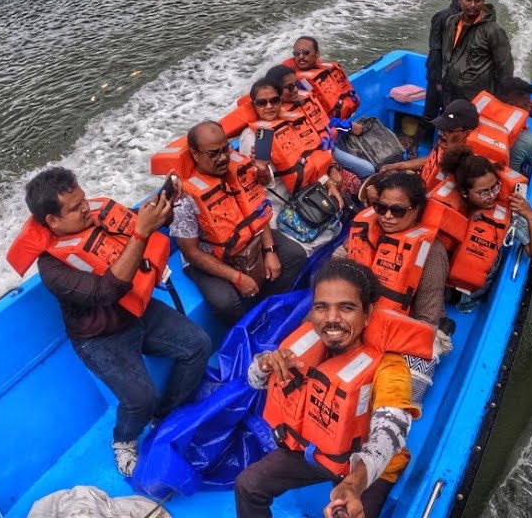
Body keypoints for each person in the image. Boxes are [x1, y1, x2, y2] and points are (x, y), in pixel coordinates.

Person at [7, 167, 211, 478]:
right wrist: (142, 234)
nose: (86, 208)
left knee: (199, 345)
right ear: (53, 221)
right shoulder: (52, 268)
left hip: (140, 311)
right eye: (76, 208)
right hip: (100, 337)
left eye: (83, 200)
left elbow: (148, 223)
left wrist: (166, 204)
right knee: (140, 399)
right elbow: (106, 291)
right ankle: (124, 439)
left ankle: (166, 415)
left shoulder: (99, 216)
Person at [235, 260, 425, 518]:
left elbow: (392, 429)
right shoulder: (304, 343)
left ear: (367, 314)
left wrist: (353, 483)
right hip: (314, 449)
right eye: (321, 308)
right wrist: (265, 363)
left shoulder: (389, 367)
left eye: (346, 308)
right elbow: (253, 380)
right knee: (248, 485)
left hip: (364, 468)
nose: (332, 319)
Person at [173, 120, 308, 325]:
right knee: (226, 302)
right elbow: (192, 253)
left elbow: (256, 210)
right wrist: (237, 278)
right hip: (210, 254)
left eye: (225, 149)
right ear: (195, 154)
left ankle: (266, 308)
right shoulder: (183, 197)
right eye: (213, 154)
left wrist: (270, 251)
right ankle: (246, 326)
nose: (223, 158)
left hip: (248, 238)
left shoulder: (240, 168)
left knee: (295, 255)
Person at [342, 171, 452, 405]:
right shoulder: (365, 231)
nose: (388, 217)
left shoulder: (431, 253)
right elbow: (338, 266)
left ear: (416, 210)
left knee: (401, 389)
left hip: (402, 328)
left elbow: (426, 320)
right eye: (382, 208)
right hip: (360, 316)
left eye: (398, 211)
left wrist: (380, 342)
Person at [441, 154, 532, 306]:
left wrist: (530, 214)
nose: (492, 196)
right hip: (439, 278)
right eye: (483, 193)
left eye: (495, 187)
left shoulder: (506, 215)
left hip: (464, 295)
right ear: (465, 192)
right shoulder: (446, 205)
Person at [238, 79, 345, 209]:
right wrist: (263, 171)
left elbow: (309, 158)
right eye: (262, 103)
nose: (269, 106)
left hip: (309, 189)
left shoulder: (289, 122)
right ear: (254, 106)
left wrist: (328, 183)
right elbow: (261, 184)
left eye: (274, 100)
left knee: (341, 204)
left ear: (280, 101)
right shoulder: (251, 136)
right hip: (280, 203)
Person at [266, 64, 376, 179]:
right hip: (320, 157)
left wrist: (347, 126)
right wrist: (332, 167)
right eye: (289, 87)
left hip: (329, 144)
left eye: (295, 85)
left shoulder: (302, 99)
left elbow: (322, 122)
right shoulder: (281, 119)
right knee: (368, 170)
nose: (295, 90)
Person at [438, 0, 514, 103]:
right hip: (450, 95)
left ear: (483, 1)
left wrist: (500, 100)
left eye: (478, 0)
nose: (473, 5)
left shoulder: (492, 31)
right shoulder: (451, 23)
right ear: (459, 0)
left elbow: (505, 69)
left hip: (477, 101)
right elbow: (446, 57)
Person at [378, 98, 479, 191]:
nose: (440, 133)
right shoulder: (451, 146)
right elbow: (431, 161)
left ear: (467, 134)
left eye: (448, 130)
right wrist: (398, 166)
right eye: (442, 127)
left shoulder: (466, 167)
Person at [285, 36, 359, 119]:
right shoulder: (286, 75)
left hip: (333, 115)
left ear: (317, 54)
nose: (301, 57)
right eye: (296, 53)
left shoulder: (320, 67)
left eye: (306, 52)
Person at [494, 76, 532, 173]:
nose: (530, 108)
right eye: (526, 104)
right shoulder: (527, 141)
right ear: (512, 105)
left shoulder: (475, 119)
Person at [423, 0, 460, 122]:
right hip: (438, 73)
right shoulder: (442, 17)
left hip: (456, 76)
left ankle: (442, 138)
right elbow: (435, 50)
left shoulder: (470, 21)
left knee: (449, 112)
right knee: (431, 111)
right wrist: (438, 80)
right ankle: (418, 139)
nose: (472, 5)